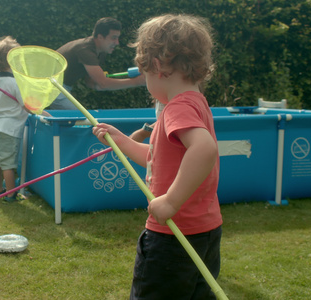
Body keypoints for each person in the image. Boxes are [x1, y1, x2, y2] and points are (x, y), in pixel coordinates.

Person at [92, 14, 222, 299]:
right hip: (205, 231)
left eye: (145, 73)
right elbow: (161, 158)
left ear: (157, 66)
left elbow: (204, 149)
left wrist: (171, 201)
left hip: (174, 237)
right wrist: (123, 142)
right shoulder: (197, 102)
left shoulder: (176, 108)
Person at [0, 36, 50, 202]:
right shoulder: (14, 84)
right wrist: (45, 114)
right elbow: (28, 106)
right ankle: (11, 194)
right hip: (10, 129)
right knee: (8, 164)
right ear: (12, 62)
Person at [47, 17, 146, 110]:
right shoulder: (85, 50)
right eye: (113, 38)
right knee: (81, 119)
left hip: (59, 87)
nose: (117, 43)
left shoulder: (100, 52)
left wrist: (99, 85)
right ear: (100, 37)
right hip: (50, 85)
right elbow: (103, 83)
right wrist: (137, 81)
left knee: (77, 119)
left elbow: (90, 82)